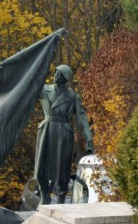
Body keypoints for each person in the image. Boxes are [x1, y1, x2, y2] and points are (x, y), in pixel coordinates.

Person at [34, 64, 93, 205]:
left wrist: (89, 138)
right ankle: (44, 194)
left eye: (58, 74)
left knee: (62, 171)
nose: (55, 76)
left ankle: (60, 199)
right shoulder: (44, 90)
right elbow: (28, 87)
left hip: (63, 133)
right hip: (47, 130)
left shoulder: (72, 96)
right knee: (40, 170)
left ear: (65, 78)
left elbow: (81, 117)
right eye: (55, 73)